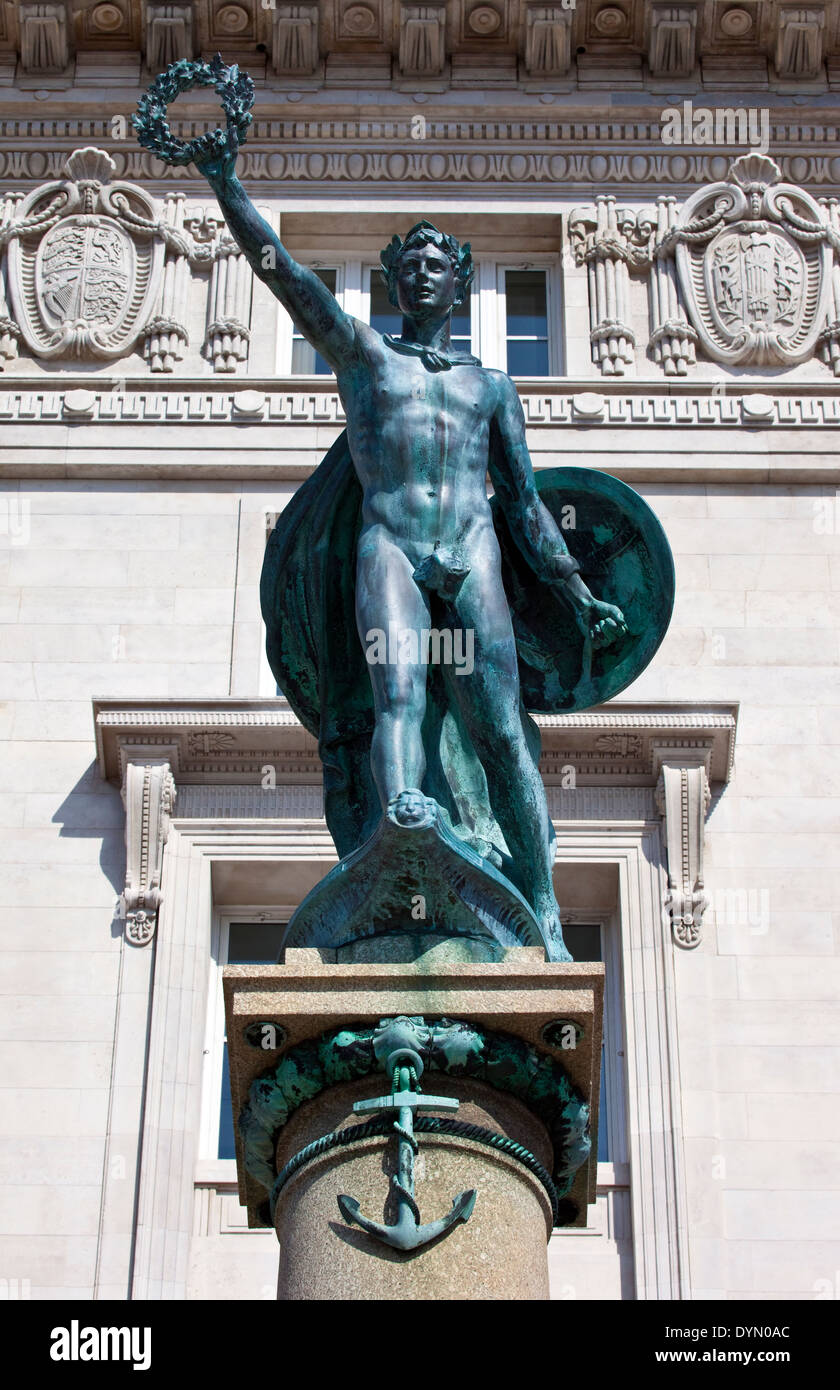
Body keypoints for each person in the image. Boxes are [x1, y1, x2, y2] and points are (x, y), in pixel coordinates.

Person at [195, 136, 627, 959]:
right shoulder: (365, 359)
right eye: (411, 264)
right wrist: (226, 186)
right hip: (390, 545)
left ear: (461, 285)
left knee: (501, 730)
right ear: (394, 283)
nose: (425, 273)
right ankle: (399, 835)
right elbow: (284, 275)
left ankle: (544, 907)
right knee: (398, 697)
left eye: (440, 264)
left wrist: (577, 595)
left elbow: (528, 506)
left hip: (471, 554)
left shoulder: (489, 387)